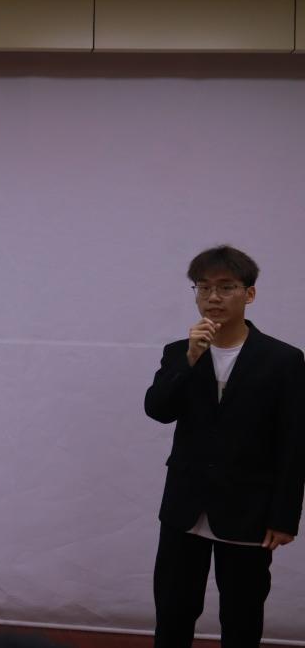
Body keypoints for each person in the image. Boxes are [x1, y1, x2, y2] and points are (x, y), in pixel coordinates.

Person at [144, 245, 305, 648]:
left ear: (249, 294)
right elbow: (158, 410)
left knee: (242, 617)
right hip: (184, 507)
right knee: (173, 612)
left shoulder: (283, 360)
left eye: (226, 287)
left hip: (249, 509)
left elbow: (294, 442)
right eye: (203, 288)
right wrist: (189, 360)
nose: (213, 297)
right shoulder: (179, 352)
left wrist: (285, 516)